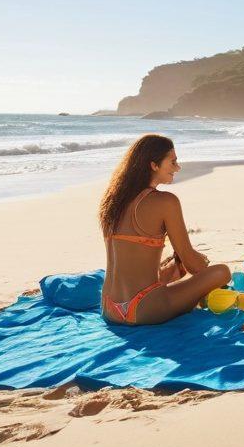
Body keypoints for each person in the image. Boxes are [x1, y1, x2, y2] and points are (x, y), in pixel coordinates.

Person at [99, 135, 231, 325]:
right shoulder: (166, 201)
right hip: (144, 308)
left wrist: (173, 268)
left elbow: (131, 261)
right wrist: (200, 262)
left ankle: (171, 274)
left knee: (172, 269)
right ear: (154, 165)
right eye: (173, 161)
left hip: (108, 307)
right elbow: (194, 266)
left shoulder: (112, 203)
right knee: (221, 272)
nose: (177, 167)